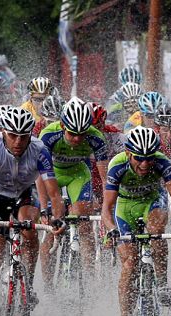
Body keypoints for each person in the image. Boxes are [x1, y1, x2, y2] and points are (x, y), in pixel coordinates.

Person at [0, 106, 65, 316]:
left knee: (29, 226)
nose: (18, 142)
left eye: (23, 137)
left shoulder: (40, 149)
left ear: (30, 135)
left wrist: (58, 218)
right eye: (13, 136)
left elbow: (54, 193)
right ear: (4, 132)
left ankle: (29, 284)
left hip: (22, 195)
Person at [102, 125, 171, 316]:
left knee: (156, 229)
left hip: (151, 201)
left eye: (149, 158)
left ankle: (161, 283)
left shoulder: (161, 162)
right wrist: (111, 230)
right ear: (127, 153)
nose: (144, 163)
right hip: (125, 208)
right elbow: (107, 207)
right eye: (138, 158)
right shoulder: (117, 165)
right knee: (130, 264)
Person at [38, 97, 108, 287]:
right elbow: (39, 174)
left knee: (83, 223)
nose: (77, 139)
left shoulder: (96, 138)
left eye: (82, 134)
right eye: (72, 133)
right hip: (52, 173)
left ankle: (90, 277)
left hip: (78, 174)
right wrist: (45, 208)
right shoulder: (48, 135)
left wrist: (106, 206)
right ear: (62, 125)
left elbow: (105, 178)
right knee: (52, 228)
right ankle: (47, 286)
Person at [90, 102, 125, 180]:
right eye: (91, 128)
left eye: (98, 127)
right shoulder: (77, 137)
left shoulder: (113, 134)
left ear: (103, 122)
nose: (95, 132)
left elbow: (127, 155)